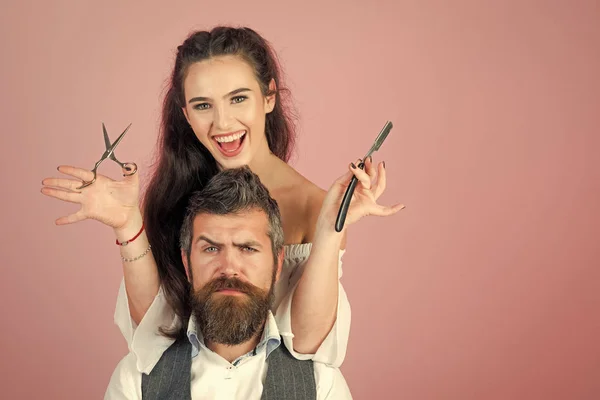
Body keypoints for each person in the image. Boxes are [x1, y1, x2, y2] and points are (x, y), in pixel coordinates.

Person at [40, 26, 403, 375]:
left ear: (270, 97)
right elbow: (154, 334)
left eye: (238, 98)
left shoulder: (316, 208)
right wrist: (128, 226)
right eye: (202, 106)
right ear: (185, 113)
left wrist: (329, 231)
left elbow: (307, 346)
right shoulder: (174, 194)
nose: (222, 123)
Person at [104, 166, 353, 399]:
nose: (229, 268)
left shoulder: (322, 384)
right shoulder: (135, 381)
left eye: (247, 248)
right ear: (187, 263)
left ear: (278, 264)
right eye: (211, 248)